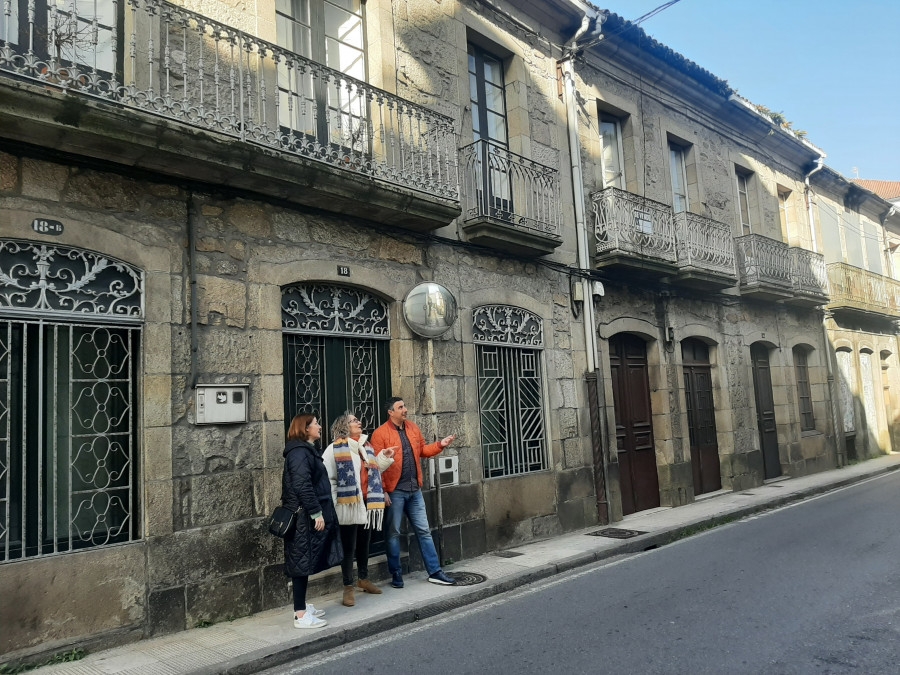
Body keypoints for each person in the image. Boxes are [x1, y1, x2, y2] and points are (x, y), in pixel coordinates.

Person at [370, 397, 457, 588]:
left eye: (404, 406)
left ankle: (435, 572)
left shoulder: (413, 428)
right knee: (393, 533)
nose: (405, 410)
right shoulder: (380, 434)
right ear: (390, 412)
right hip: (395, 492)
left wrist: (441, 444)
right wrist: (383, 491)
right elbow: (376, 466)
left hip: (414, 490)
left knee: (424, 531)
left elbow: (423, 451)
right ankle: (396, 574)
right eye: (400, 407)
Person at [323, 412, 398, 607]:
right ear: (344, 426)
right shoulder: (335, 449)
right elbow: (328, 480)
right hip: (348, 504)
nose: (359, 422)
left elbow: (373, 471)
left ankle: (363, 579)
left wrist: (384, 457)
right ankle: (348, 587)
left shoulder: (366, 447)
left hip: (367, 503)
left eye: (358, 419)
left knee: (364, 544)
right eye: (354, 421)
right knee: (349, 548)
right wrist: (335, 504)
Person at [282, 413, 342, 629]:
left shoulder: (305, 451)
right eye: (316, 423)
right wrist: (316, 513)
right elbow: (302, 485)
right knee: (301, 562)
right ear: (305, 428)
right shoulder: (299, 453)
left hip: (306, 516)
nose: (319, 426)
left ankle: (302, 605)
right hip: (303, 518)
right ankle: (300, 615)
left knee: (305, 559)